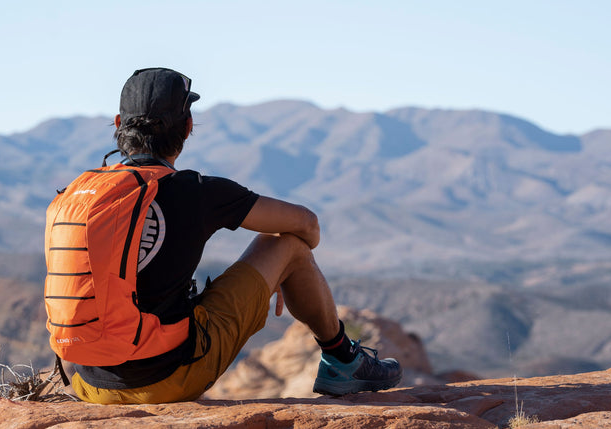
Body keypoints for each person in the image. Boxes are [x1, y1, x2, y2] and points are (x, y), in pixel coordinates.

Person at [68, 67, 402, 403]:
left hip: (89, 383)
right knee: (286, 245)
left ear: (117, 124)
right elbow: (307, 225)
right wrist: (294, 265)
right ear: (188, 127)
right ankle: (343, 361)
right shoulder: (195, 192)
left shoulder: (81, 194)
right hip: (166, 380)